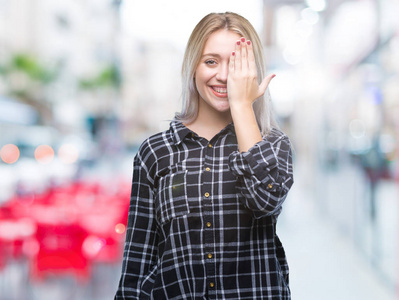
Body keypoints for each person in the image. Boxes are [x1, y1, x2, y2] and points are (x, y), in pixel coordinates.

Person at [115, 12, 294, 300]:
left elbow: (265, 201)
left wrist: (242, 105)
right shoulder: (156, 152)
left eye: (236, 65)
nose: (223, 75)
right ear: (193, 67)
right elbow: (138, 261)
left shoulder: (273, 144)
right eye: (211, 61)